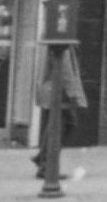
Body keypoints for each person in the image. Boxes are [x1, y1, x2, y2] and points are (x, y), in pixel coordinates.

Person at [32, 46, 87, 181]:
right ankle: (45, 165)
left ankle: (42, 159)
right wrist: (73, 93)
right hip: (60, 92)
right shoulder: (64, 43)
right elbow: (66, 70)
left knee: (56, 125)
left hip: (52, 89)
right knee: (61, 125)